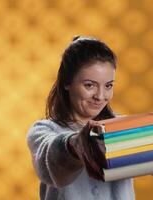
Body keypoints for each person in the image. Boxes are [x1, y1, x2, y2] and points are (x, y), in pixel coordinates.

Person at [27, 36, 135, 200]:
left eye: (108, 86)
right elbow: (50, 166)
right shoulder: (43, 131)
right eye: (89, 85)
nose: (100, 96)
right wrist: (75, 144)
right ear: (67, 83)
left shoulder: (120, 127)